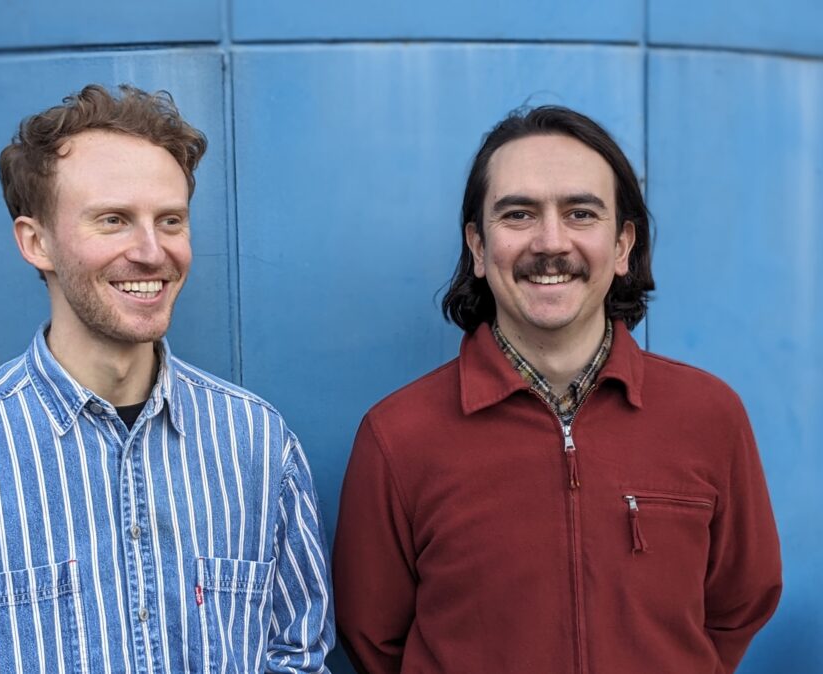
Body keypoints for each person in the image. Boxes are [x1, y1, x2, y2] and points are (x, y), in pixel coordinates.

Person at [0, 84, 333, 673]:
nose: (151, 251)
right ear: (35, 242)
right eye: (113, 220)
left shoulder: (258, 445)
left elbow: (297, 658)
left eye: (170, 220)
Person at [332, 106, 781, 673]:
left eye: (580, 213)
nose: (551, 242)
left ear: (622, 246)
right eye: (518, 214)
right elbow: (372, 635)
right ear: (477, 246)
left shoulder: (710, 416)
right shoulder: (398, 436)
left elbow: (740, 604)